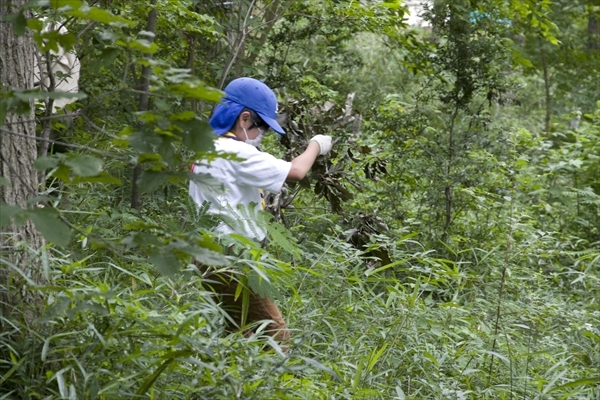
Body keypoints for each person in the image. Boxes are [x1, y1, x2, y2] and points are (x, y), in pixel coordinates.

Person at [189, 77, 332, 345]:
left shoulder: (206, 150)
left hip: (204, 254)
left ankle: (229, 385)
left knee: (237, 334)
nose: (262, 134)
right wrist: (316, 145)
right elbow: (297, 171)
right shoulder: (234, 151)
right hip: (231, 256)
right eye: (262, 126)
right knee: (276, 337)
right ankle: (281, 383)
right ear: (244, 119)